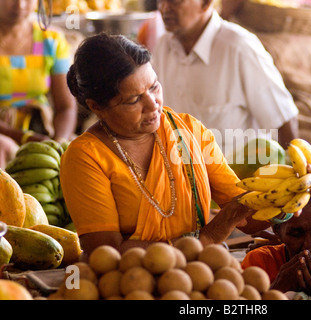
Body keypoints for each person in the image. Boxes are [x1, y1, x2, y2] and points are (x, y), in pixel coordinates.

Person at [60, 33, 292, 258]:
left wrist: (287, 200)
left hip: (200, 274)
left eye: (154, 87)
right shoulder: (85, 157)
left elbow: (247, 215)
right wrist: (208, 237)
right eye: (133, 100)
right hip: (131, 286)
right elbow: (106, 253)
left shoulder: (188, 131)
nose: (153, 106)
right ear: (97, 107)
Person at [151, 0, 299, 156]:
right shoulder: (162, 47)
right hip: (185, 174)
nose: (164, 8)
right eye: (160, 0)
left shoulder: (239, 47)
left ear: (206, 3)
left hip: (241, 177)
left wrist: (296, 174)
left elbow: (283, 120)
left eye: (175, 1)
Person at [241, 176, 311, 299]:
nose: (309, 245)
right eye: (296, 234)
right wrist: (278, 287)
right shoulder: (260, 263)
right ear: (277, 230)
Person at [0, 0, 78, 168]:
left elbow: (66, 107)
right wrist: (24, 137)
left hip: (41, 128)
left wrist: (58, 142)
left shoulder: (51, 40)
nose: (20, 5)